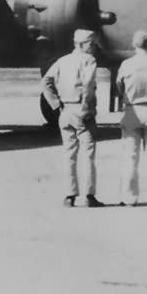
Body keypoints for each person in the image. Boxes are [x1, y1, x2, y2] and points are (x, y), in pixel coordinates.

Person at [42, 29, 105, 207]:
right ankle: (89, 196)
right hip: (81, 110)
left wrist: (56, 104)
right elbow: (88, 85)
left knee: (69, 154)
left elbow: (46, 82)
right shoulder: (89, 60)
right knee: (88, 154)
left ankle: (69, 196)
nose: (93, 47)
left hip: (66, 111)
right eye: (91, 44)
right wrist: (86, 108)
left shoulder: (62, 61)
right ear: (81, 44)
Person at [116, 30, 147, 207]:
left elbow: (119, 86)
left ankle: (129, 199)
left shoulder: (126, 64)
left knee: (130, 156)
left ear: (133, 44)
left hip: (132, 110)